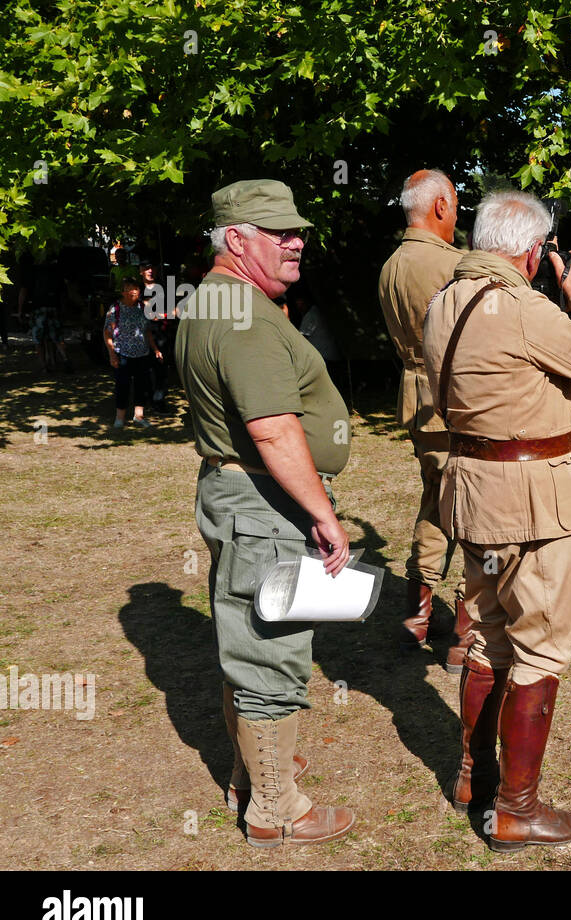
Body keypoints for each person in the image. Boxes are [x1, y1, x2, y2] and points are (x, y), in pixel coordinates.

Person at [423, 190, 571, 850]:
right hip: (530, 502)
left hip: (473, 494)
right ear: (533, 251)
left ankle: (473, 777)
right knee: (540, 644)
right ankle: (515, 808)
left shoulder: (442, 303)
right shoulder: (521, 308)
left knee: (486, 634)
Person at [176, 178, 356, 846]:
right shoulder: (244, 315)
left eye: (298, 229)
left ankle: (251, 774)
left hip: (243, 496)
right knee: (272, 655)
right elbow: (275, 429)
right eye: (278, 231)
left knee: (249, 641)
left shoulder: (219, 300)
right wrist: (321, 512)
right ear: (236, 240)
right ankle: (276, 809)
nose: (296, 241)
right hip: (264, 502)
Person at [377, 169, 469, 667]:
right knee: (477, 515)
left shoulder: (391, 266)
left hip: (418, 404)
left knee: (436, 501)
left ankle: (417, 612)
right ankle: (464, 632)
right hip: (458, 404)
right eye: (454, 204)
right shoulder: (453, 265)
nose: (457, 215)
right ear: (439, 207)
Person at [104, 276, 161, 427]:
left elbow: (147, 331)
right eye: (129, 288)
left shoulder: (142, 308)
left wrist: (155, 349)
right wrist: (112, 354)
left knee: (141, 386)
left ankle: (139, 416)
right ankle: (120, 418)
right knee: (122, 385)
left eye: (136, 288)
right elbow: (107, 333)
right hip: (122, 354)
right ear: (123, 292)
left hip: (142, 354)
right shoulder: (115, 309)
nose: (133, 291)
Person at [140, 262, 175, 413]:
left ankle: (159, 400)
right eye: (146, 268)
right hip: (141, 335)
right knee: (144, 369)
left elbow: (172, 309)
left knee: (160, 368)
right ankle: (146, 398)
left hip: (160, 333)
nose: (150, 271)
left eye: (152, 267)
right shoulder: (136, 290)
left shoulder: (164, 289)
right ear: (140, 271)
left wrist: (164, 315)